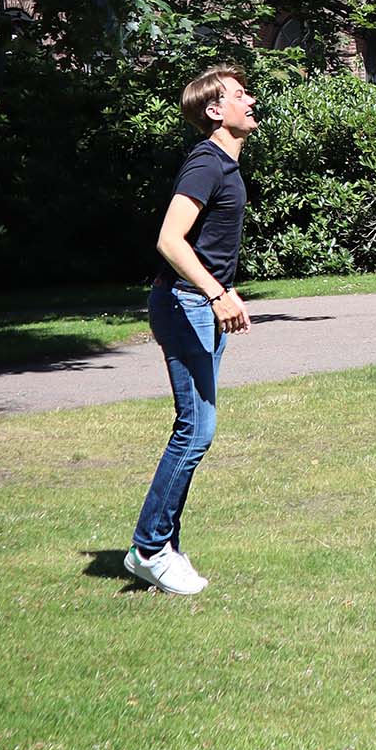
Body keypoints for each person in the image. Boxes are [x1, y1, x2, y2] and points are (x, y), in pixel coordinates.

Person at [126, 66, 258, 594]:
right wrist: (216, 292)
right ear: (213, 110)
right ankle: (150, 548)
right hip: (184, 305)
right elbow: (170, 239)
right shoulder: (206, 162)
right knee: (195, 429)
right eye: (239, 94)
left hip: (198, 304)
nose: (250, 100)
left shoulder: (226, 164)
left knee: (198, 428)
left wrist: (224, 290)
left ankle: (162, 545)